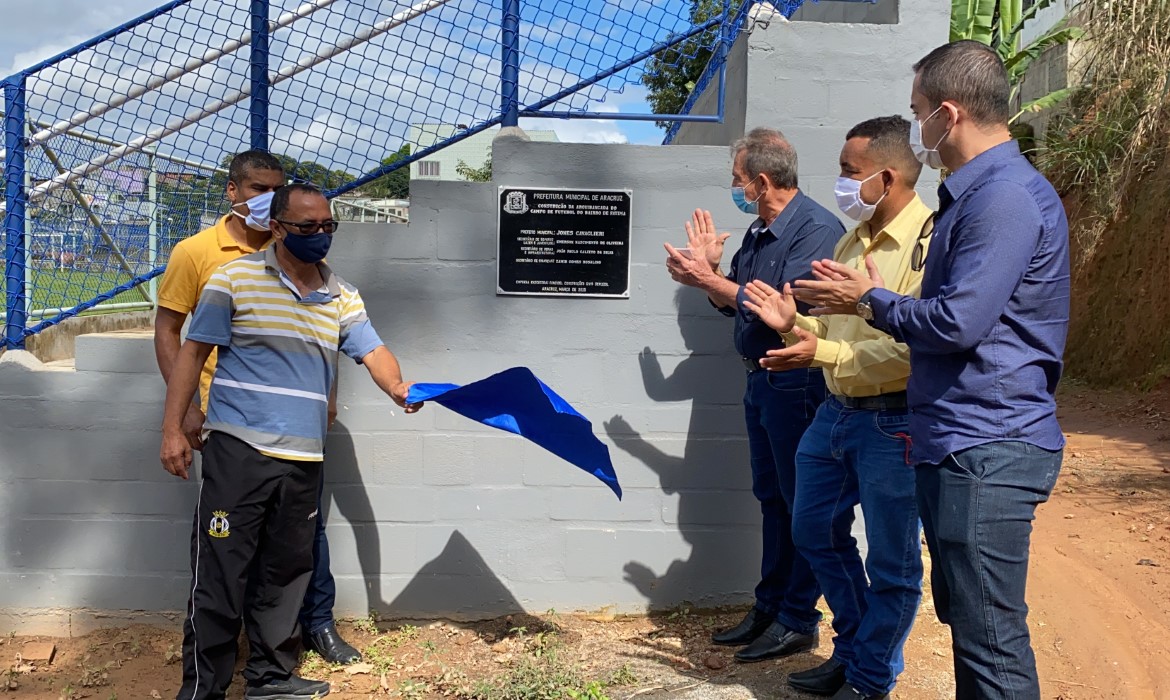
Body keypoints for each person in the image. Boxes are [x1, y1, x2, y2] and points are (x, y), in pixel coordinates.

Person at [789, 41, 1070, 699]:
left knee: (992, 643)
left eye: (918, 114)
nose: (917, 131)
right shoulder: (978, 196)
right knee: (974, 630)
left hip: (988, 446)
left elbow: (956, 322)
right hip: (961, 444)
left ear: (948, 114)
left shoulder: (1001, 198)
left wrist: (866, 299)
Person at [160, 184, 423, 700]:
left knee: (284, 576)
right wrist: (173, 427)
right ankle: (202, 691)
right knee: (219, 578)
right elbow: (191, 356)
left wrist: (396, 385)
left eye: (328, 226)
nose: (320, 236)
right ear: (278, 228)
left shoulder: (341, 296)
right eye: (308, 228)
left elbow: (373, 350)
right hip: (238, 452)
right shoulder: (231, 280)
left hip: (303, 458)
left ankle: (271, 678)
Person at [743, 116, 931, 700]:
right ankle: (851, 650)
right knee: (814, 531)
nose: (842, 184)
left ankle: (871, 678)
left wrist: (818, 346)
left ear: (886, 175)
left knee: (894, 566)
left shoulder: (930, 240)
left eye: (850, 173)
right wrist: (792, 321)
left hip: (895, 419)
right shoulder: (855, 239)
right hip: (837, 408)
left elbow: (912, 349)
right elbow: (831, 325)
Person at [154, 150, 362, 665]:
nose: (266, 199)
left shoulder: (289, 243)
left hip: (293, 427)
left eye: (275, 189)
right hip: (226, 422)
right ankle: (215, 662)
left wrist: (329, 396)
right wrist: (184, 414)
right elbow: (171, 333)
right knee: (225, 545)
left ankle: (313, 626)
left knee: (302, 539)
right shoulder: (198, 253)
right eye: (255, 189)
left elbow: (320, 333)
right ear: (232, 192)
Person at [664, 127, 843, 662]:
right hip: (761, 382)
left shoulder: (814, 231)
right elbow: (736, 303)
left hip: (798, 383)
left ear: (762, 181)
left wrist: (707, 279)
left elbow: (776, 310)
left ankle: (798, 618)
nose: (735, 189)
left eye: (738, 181)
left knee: (801, 505)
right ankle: (770, 606)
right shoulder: (758, 231)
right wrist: (714, 274)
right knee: (772, 499)